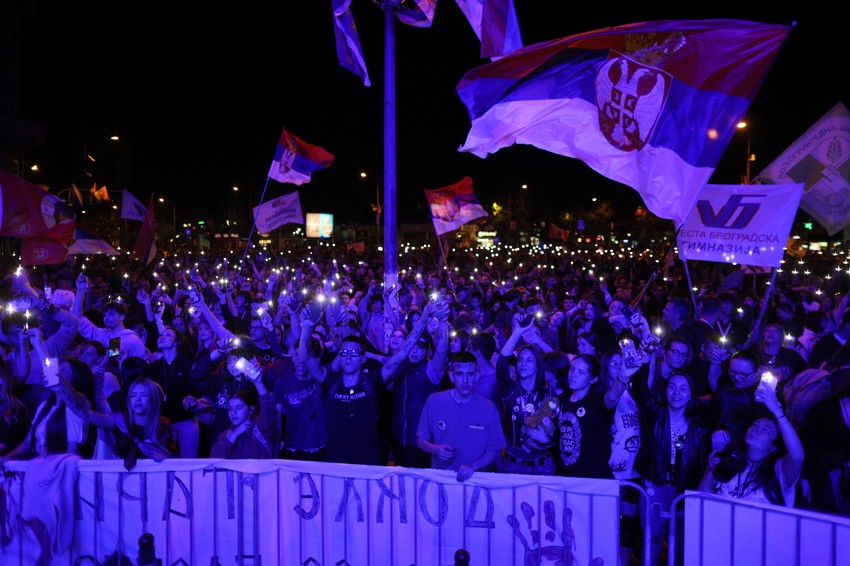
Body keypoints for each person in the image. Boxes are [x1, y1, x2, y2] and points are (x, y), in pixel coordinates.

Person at [698, 379, 805, 509]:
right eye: (755, 425)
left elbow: (797, 457)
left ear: (774, 447)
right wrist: (712, 468)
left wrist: (777, 411)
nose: (756, 429)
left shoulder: (779, 470)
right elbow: (700, 499)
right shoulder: (730, 459)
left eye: (765, 430)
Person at [416, 351, 506, 482]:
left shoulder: (488, 408)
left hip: (475, 480)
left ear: (477, 376)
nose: (465, 380)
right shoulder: (434, 401)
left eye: (470, 374)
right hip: (441, 478)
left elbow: (492, 452)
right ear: (451, 376)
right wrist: (434, 449)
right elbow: (420, 439)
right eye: (459, 374)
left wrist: (473, 466)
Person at [381, 300, 449, 468]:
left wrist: (443, 321)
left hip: (422, 444)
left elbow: (441, 351)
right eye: (412, 346)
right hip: (398, 440)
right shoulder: (399, 368)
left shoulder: (431, 369)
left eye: (421, 347)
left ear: (427, 351)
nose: (415, 350)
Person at [495, 317, 559, 475]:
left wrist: (546, 440)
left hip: (543, 465)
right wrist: (518, 332)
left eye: (529, 360)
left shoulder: (548, 393)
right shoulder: (509, 390)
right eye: (521, 360)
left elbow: (560, 429)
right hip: (513, 464)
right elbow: (501, 364)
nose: (523, 363)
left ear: (538, 367)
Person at [554, 353, 630, 479]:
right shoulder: (561, 400)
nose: (573, 375)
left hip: (593, 479)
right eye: (572, 369)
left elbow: (613, 395)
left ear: (593, 379)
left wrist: (624, 375)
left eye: (581, 372)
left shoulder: (598, 401)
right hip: (565, 476)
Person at [210, 362, 280, 459]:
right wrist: (235, 434)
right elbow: (214, 459)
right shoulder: (226, 435)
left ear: (251, 409)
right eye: (230, 408)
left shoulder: (262, 428)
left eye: (239, 407)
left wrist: (258, 383)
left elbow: (269, 407)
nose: (233, 413)